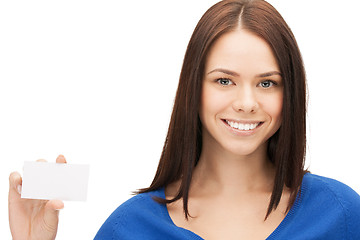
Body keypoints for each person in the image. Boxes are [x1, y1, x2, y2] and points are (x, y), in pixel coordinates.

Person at [8, 0, 360, 239]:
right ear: (194, 87)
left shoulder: (340, 213)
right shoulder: (129, 228)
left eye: (267, 83)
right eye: (225, 80)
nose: (247, 102)